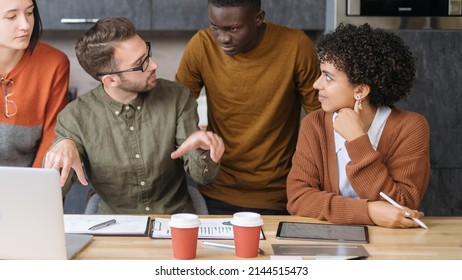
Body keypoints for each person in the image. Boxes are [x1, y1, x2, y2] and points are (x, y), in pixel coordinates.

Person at [44, 17, 224, 214]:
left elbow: (204, 177)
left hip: (173, 223)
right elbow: (55, 191)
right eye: (141, 63)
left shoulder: (177, 97)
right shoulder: (75, 117)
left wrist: (204, 148)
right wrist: (60, 149)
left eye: (148, 54)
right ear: (111, 80)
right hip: (114, 229)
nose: (154, 64)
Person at [176, 0, 320, 214]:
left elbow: (320, 118)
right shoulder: (202, 44)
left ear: (258, 18)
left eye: (233, 29)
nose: (222, 38)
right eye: (215, 27)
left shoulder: (296, 46)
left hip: (280, 194)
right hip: (216, 190)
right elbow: (176, 107)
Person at [286, 23, 430, 228]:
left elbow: (403, 206)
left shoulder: (411, 127)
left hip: (391, 248)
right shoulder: (314, 124)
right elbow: (298, 199)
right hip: (329, 243)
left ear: (360, 91)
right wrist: (368, 212)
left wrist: (357, 141)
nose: (316, 85)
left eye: (328, 77)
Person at [0, 0, 69, 167]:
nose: (25, 25)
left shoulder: (54, 64)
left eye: (30, 13)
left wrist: (36, 188)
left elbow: (52, 139)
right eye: (11, 17)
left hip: (28, 184)